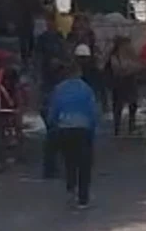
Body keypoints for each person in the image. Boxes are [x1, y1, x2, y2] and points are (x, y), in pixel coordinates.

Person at [47, 62, 99, 209]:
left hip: (65, 129)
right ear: (79, 73)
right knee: (84, 164)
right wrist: (93, 130)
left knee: (69, 161)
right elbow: (93, 111)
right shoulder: (86, 89)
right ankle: (83, 198)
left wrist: (53, 124)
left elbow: (53, 110)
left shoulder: (59, 89)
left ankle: (71, 190)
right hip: (83, 129)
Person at [35, 14, 67, 179]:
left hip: (58, 84)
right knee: (53, 126)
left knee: (57, 127)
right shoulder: (42, 41)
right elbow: (37, 61)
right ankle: (51, 166)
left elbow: (67, 59)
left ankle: (55, 162)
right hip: (48, 84)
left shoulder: (61, 39)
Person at [107, 36, 142, 136]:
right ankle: (117, 129)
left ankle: (131, 126)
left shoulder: (131, 55)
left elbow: (138, 66)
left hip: (129, 82)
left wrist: (129, 69)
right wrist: (130, 69)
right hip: (120, 84)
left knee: (132, 105)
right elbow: (117, 69)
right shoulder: (115, 56)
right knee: (118, 107)